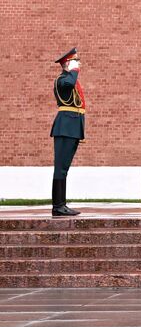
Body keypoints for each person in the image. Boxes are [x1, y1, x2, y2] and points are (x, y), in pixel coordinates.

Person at [49, 47, 84, 218]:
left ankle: (61, 204)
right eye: (75, 61)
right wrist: (73, 69)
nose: (79, 64)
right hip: (65, 127)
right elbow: (69, 84)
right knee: (60, 168)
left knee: (64, 168)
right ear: (67, 64)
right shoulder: (63, 79)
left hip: (72, 127)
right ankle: (58, 205)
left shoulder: (70, 80)